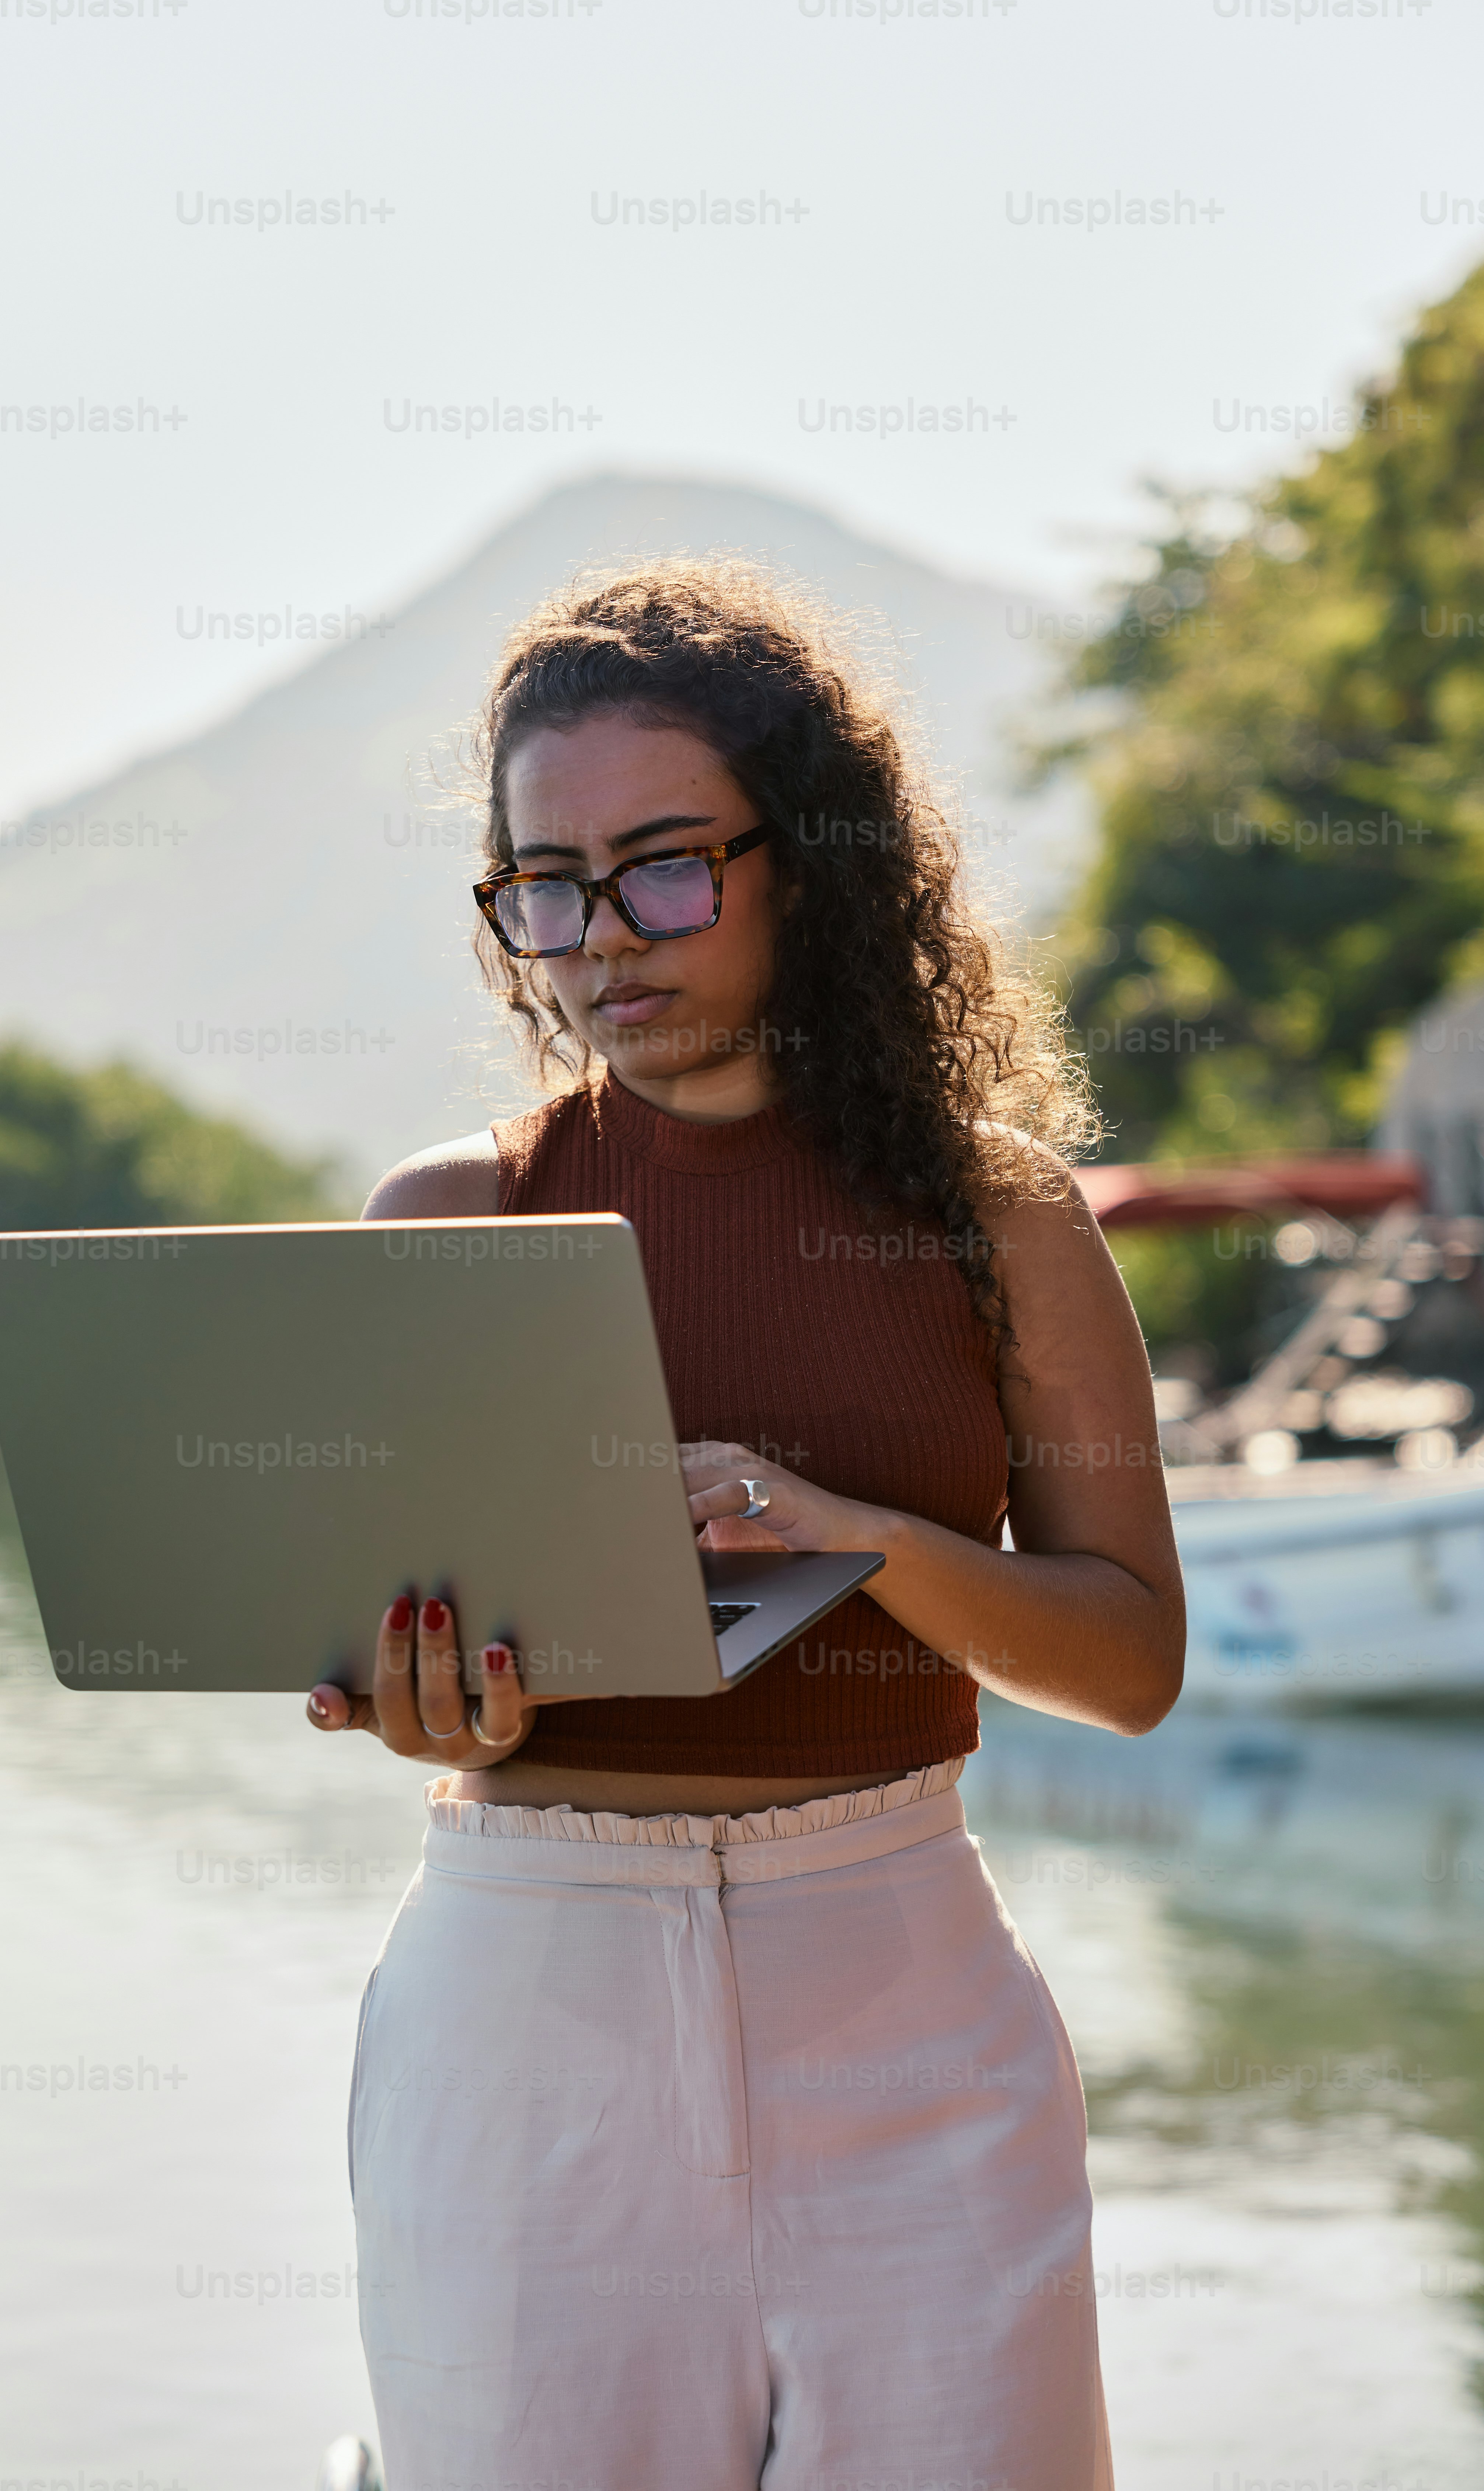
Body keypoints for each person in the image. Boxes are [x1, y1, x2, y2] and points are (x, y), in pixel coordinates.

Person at [307, 560, 1183, 2491]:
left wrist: (858, 1536)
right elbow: (416, 1659)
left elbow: (1129, 1661)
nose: (603, 939)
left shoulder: (1001, 1215)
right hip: (527, 2022)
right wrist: (433, 1709)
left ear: (808, 863)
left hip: (909, 2003)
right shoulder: (449, 1219)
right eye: (548, 886)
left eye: (666, 870)